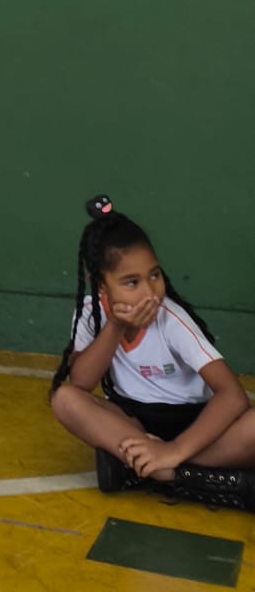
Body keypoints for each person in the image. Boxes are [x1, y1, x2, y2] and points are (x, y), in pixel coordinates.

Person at [50, 194, 255, 506]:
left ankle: (150, 469)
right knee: (65, 400)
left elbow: (232, 396)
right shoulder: (91, 313)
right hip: (134, 424)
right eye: (131, 282)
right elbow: (80, 382)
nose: (150, 291)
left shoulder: (171, 319)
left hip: (197, 426)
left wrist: (174, 450)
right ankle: (185, 475)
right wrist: (115, 326)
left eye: (154, 275)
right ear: (101, 285)